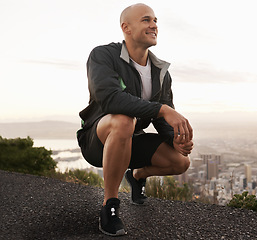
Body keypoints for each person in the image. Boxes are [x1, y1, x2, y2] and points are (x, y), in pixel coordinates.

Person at [76, 3, 194, 236]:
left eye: (156, 21)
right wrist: (162, 109)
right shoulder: (103, 55)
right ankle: (109, 206)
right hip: (97, 139)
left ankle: (137, 175)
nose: (154, 25)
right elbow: (110, 99)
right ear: (126, 27)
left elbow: (162, 120)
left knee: (181, 162)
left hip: (132, 140)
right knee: (123, 120)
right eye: (146, 20)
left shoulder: (160, 71)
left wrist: (175, 140)